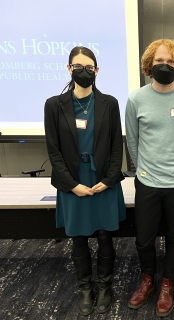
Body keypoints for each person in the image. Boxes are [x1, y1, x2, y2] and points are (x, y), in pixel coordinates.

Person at [44, 46, 126, 316]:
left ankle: (104, 287)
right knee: (78, 237)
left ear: (97, 71)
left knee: (104, 235)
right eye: (78, 66)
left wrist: (111, 179)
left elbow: (117, 147)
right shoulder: (54, 105)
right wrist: (71, 184)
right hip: (73, 182)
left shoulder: (109, 103)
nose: (84, 71)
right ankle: (85, 289)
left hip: (102, 181)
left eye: (89, 67)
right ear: (69, 69)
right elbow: (53, 151)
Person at [125, 39, 174, 317]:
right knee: (144, 239)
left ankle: (167, 284)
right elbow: (132, 143)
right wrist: (143, 169)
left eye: (170, 62)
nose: (164, 65)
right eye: (159, 61)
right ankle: (148, 279)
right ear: (149, 64)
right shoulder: (136, 99)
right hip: (147, 181)